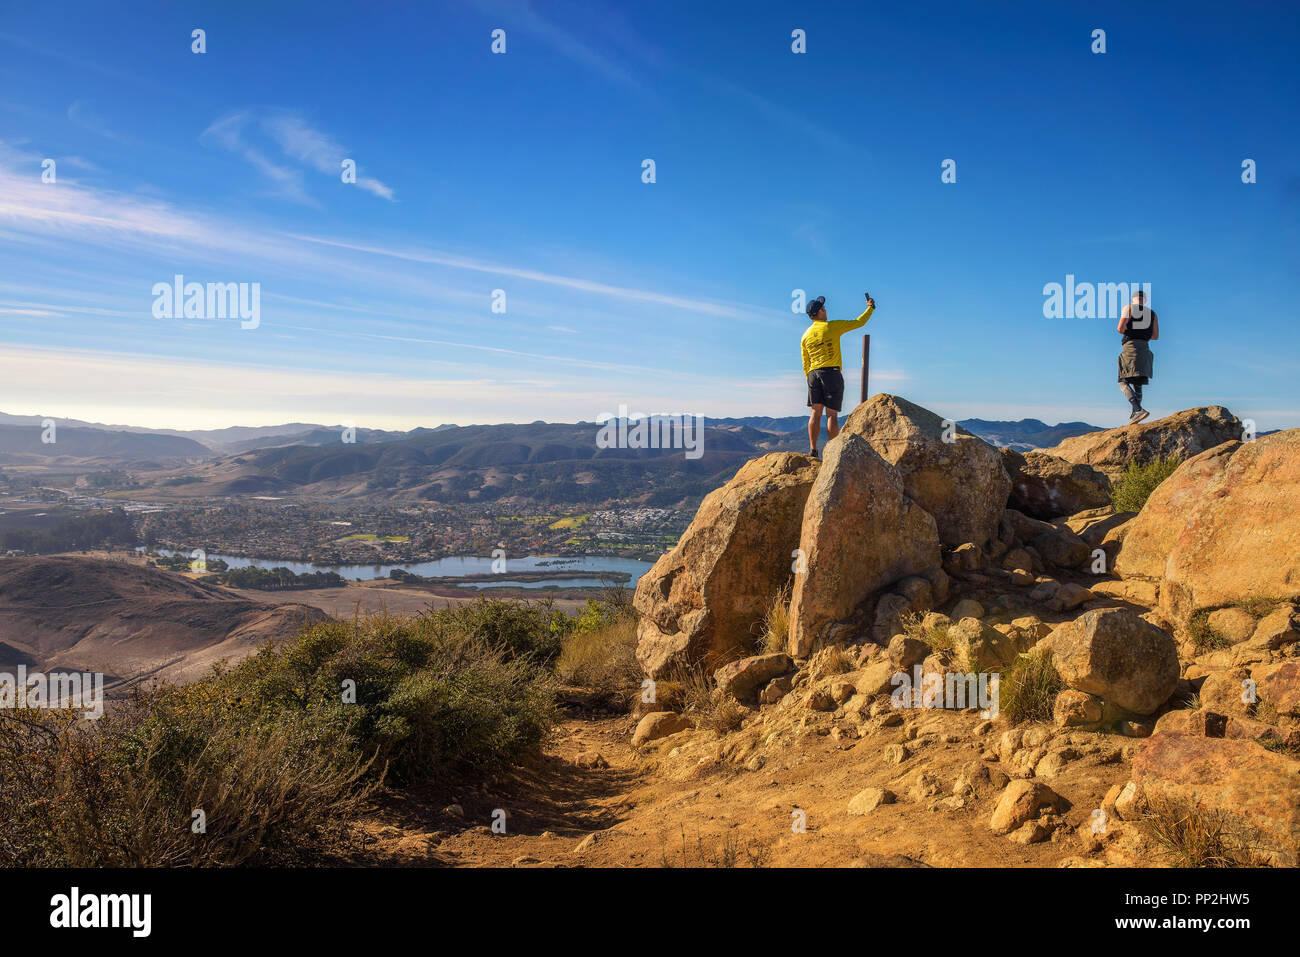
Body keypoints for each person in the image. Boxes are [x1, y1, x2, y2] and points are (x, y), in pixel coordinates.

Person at [800, 293, 874, 457]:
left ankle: (813, 450)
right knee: (831, 415)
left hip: (813, 374)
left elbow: (805, 361)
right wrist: (870, 308)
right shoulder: (831, 327)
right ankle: (834, 453)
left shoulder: (805, 336)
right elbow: (859, 322)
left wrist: (809, 377)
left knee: (815, 413)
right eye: (823, 308)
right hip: (831, 373)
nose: (825, 309)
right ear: (819, 312)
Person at [1116, 289, 1158, 424]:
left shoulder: (1129, 308)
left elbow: (1120, 328)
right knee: (1137, 382)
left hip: (1131, 347)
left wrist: (1133, 332)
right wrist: (1143, 334)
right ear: (1145, 300)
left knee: (1122, 381)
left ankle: (1137, 409)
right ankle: (1135, 413)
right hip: (1145, 348)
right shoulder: (1152, 314)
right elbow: (1155, 336)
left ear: (1132, 299)